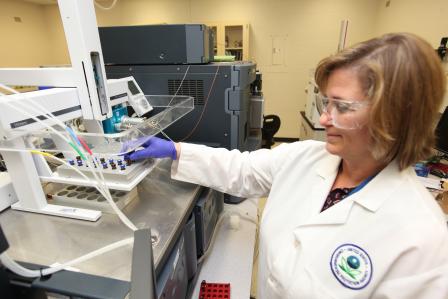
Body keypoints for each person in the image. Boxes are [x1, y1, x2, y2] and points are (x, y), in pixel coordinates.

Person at [124, 33, 448, 298]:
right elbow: (243, 170)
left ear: (394, 116)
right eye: (327, 102)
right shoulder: (307, 156)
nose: (324, 118)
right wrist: (174, 151)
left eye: (343, 107)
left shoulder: (422, 239)